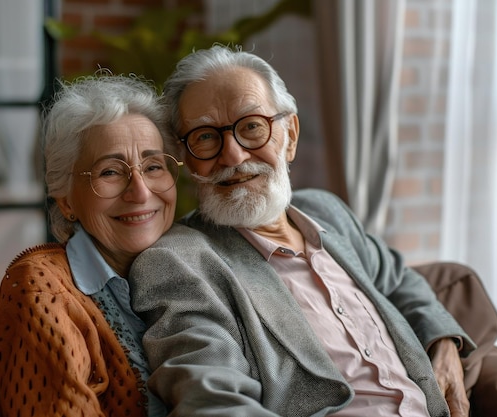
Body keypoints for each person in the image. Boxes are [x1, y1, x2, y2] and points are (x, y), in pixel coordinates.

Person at [129, 45, 476, 417]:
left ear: (289, 136)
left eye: (251, 127)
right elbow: (212, 400)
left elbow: (399, 280)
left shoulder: (327, 211)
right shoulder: (179, 261)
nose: (233, 156)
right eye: (206, 137)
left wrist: (443, 343)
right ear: (185, 157)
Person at [0, 73, 182, 417]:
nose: (141, 192)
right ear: (66, 200)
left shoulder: (192, 264)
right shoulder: (41, 290)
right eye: (110, 172)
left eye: (153, 166)